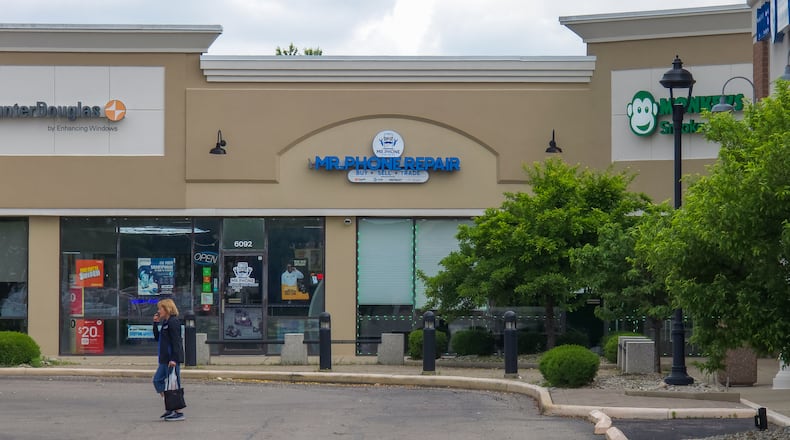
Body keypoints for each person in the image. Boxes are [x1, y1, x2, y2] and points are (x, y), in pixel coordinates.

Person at [152, 298, 185, 421]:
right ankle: (170, 407)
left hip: (171, 359)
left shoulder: (173, 322)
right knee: (158, 381)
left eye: (160, 308)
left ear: (167, 309)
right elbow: (157, 338)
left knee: (173, 385)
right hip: (164, 359)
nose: (158, 311)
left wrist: (174, 359)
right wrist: (155, 324)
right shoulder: (165, 322)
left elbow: (177, 342)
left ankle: (178, 412)